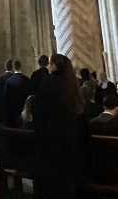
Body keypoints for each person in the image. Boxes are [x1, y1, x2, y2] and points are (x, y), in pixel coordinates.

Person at [30, 54, 85, 198]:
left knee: (51, 184)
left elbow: (39, 111)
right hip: (69, 141)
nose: (48, 66)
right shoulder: (72, 84)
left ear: (54, 66)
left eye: (50, 63)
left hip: (51, 141)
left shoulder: (50, 83)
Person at [2, 60, 32, 128]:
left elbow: (6, 98)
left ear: (13, 67)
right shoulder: (26, 79)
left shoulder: (9, 81)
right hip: (24, 108)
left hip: (13, 110)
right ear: (20, 66)